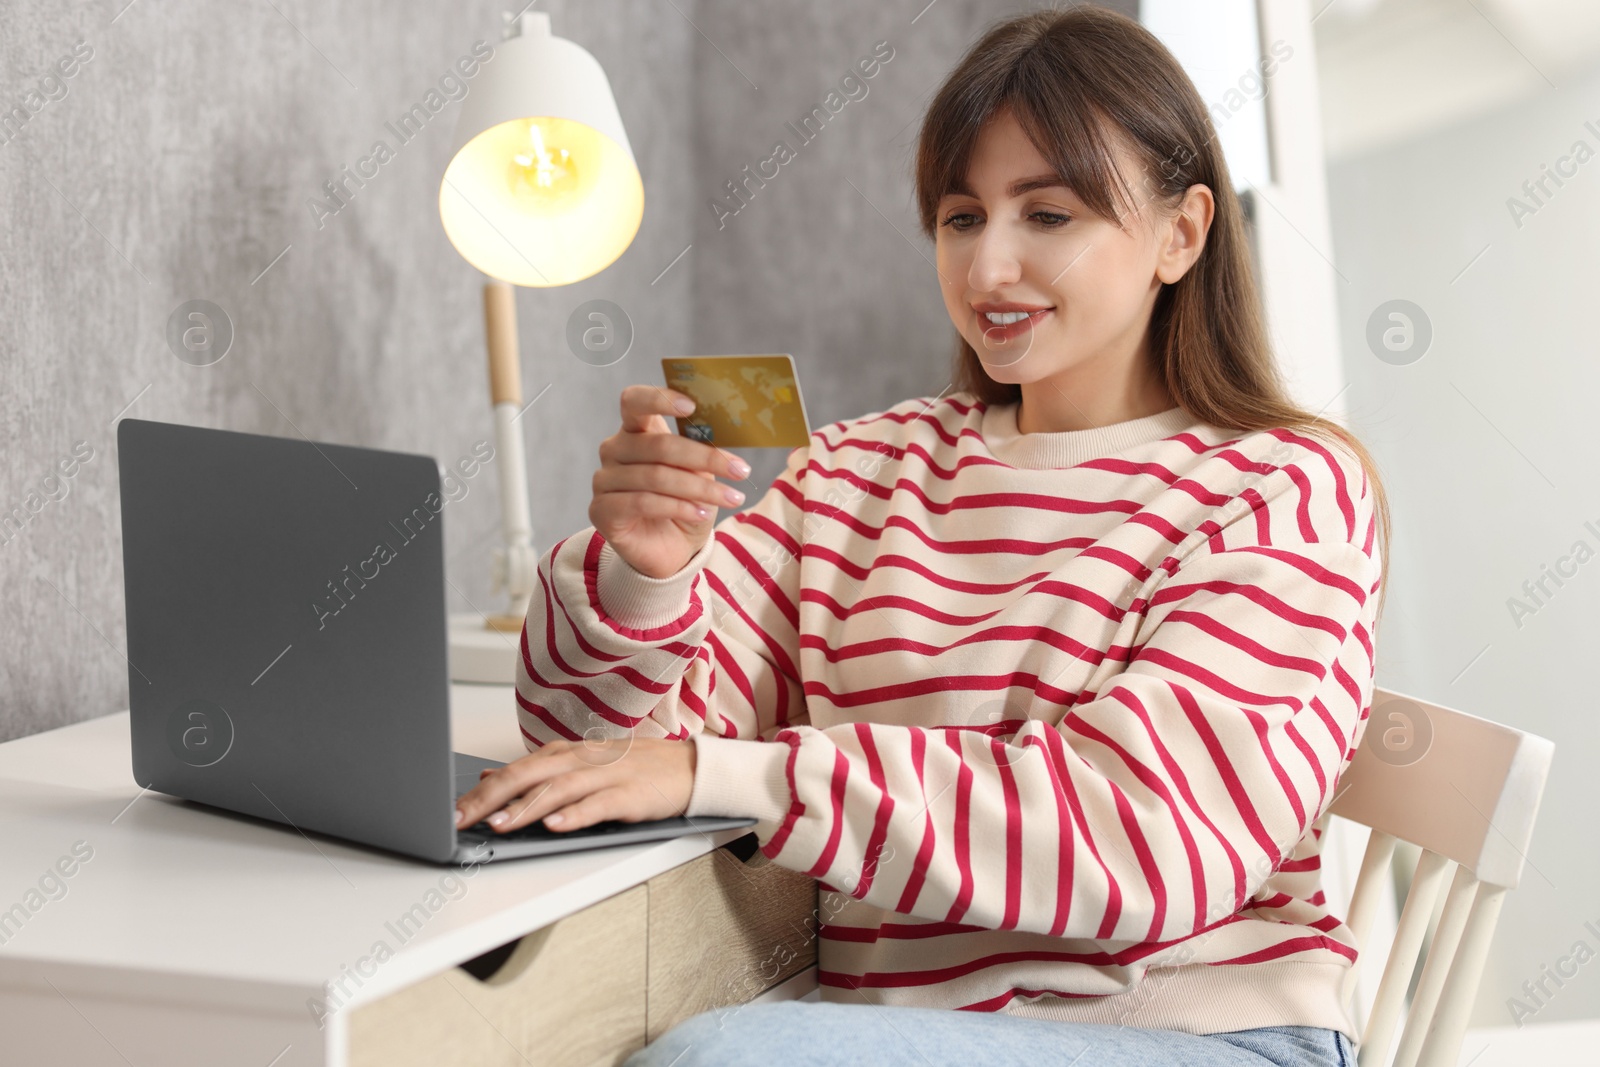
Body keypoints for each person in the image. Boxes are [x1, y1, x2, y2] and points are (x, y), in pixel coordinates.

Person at [453, 6, 1388, 1066]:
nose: (988, 270)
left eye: (1047, 215)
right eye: (959, 217)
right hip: (907, 1035)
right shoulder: (862, 470)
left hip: (1202, 1028)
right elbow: (601, 756)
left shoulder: (1278, 487)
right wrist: (645, 579)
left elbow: (1143, 844)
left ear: (1180, 232)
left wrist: (745, 777)